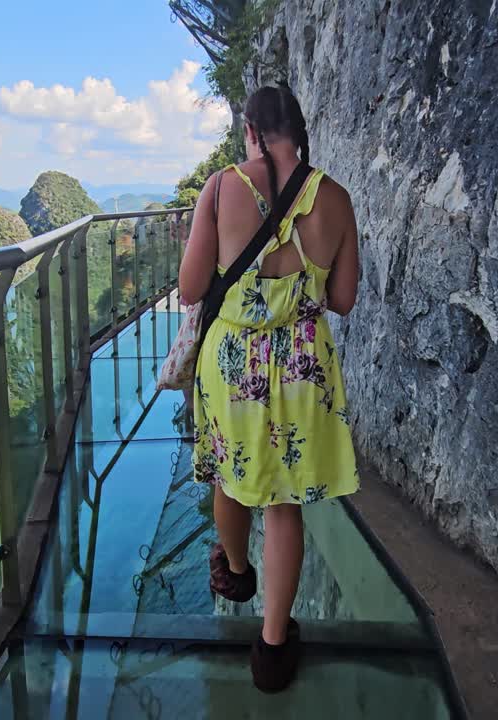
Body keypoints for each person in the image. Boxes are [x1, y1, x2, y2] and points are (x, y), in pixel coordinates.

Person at [178, 85, 361, 693]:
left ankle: (234, 571)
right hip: (302, 367)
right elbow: (342, 299)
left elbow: (188, 286)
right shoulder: (336, 198)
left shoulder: (224, 186)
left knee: (231, 476)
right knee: (284, 505)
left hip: (233, 364)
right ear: (299, 131)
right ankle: (274, 649)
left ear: (250, 130)